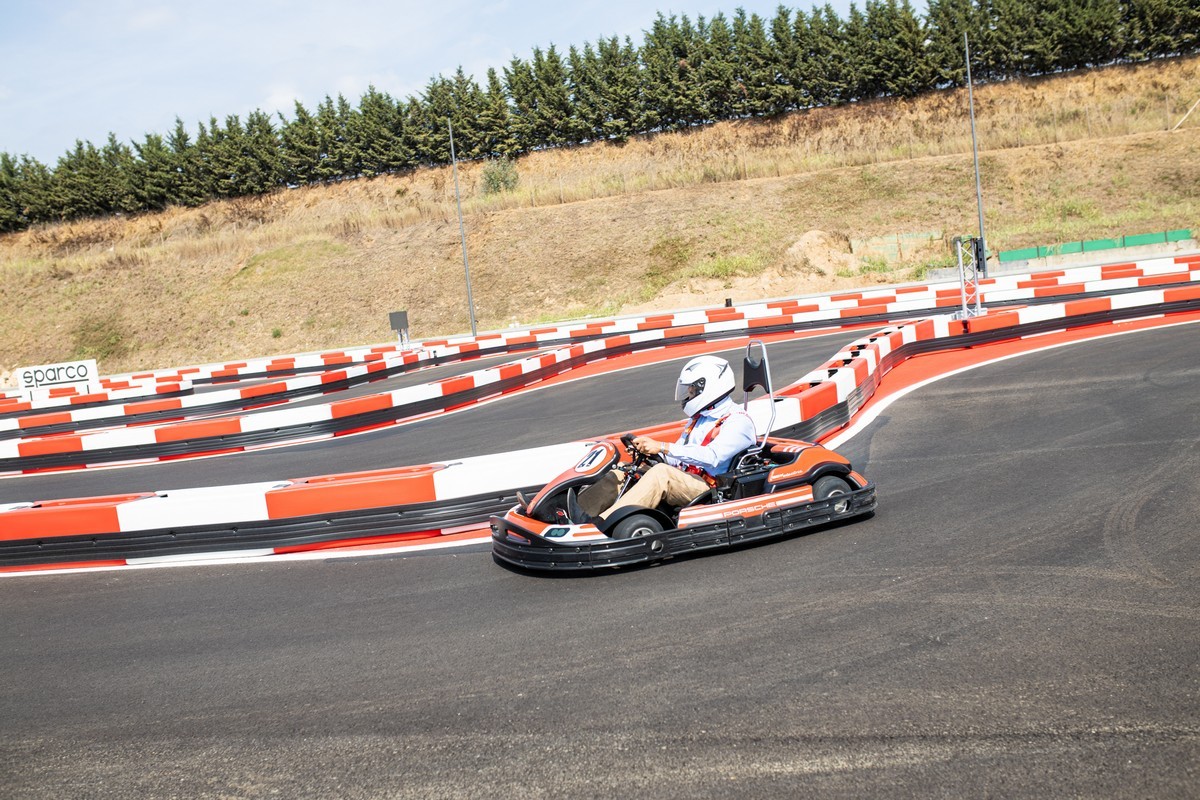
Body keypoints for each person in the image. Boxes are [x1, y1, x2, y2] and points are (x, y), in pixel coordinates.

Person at [598, 354, 757, 519]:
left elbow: (712, 457)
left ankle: (604, 523)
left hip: (711, 488)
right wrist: (651, 453)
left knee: (661, 474)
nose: (689, 393)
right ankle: (581, 514)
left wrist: (662, 447)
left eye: (693, 389)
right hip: (686, 477)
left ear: (709, 387)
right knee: (624, 470)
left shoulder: (738, 421)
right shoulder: (699, 418)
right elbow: (677, 457)